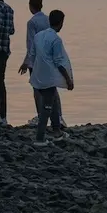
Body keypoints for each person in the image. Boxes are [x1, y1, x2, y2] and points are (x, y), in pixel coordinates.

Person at [29, 9, 73, 147]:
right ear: (61, 23)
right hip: (48, 77)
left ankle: (57, 131)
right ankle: (40, 138)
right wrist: (68, 80)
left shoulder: (38, 36)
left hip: (37, 75)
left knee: (52, 100)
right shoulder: (56, 39)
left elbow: (33, 54)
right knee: (46, 107)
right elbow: (59, 62)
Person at [19, 0, 65, 128]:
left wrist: (27, 62)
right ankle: (59, 116)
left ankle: (41, 116)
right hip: (49, 59)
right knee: (52, 87)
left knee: (37, 89)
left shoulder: (31, 22)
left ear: (30, 6)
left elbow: (31, 44)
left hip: (36, 61)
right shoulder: (47, 19)